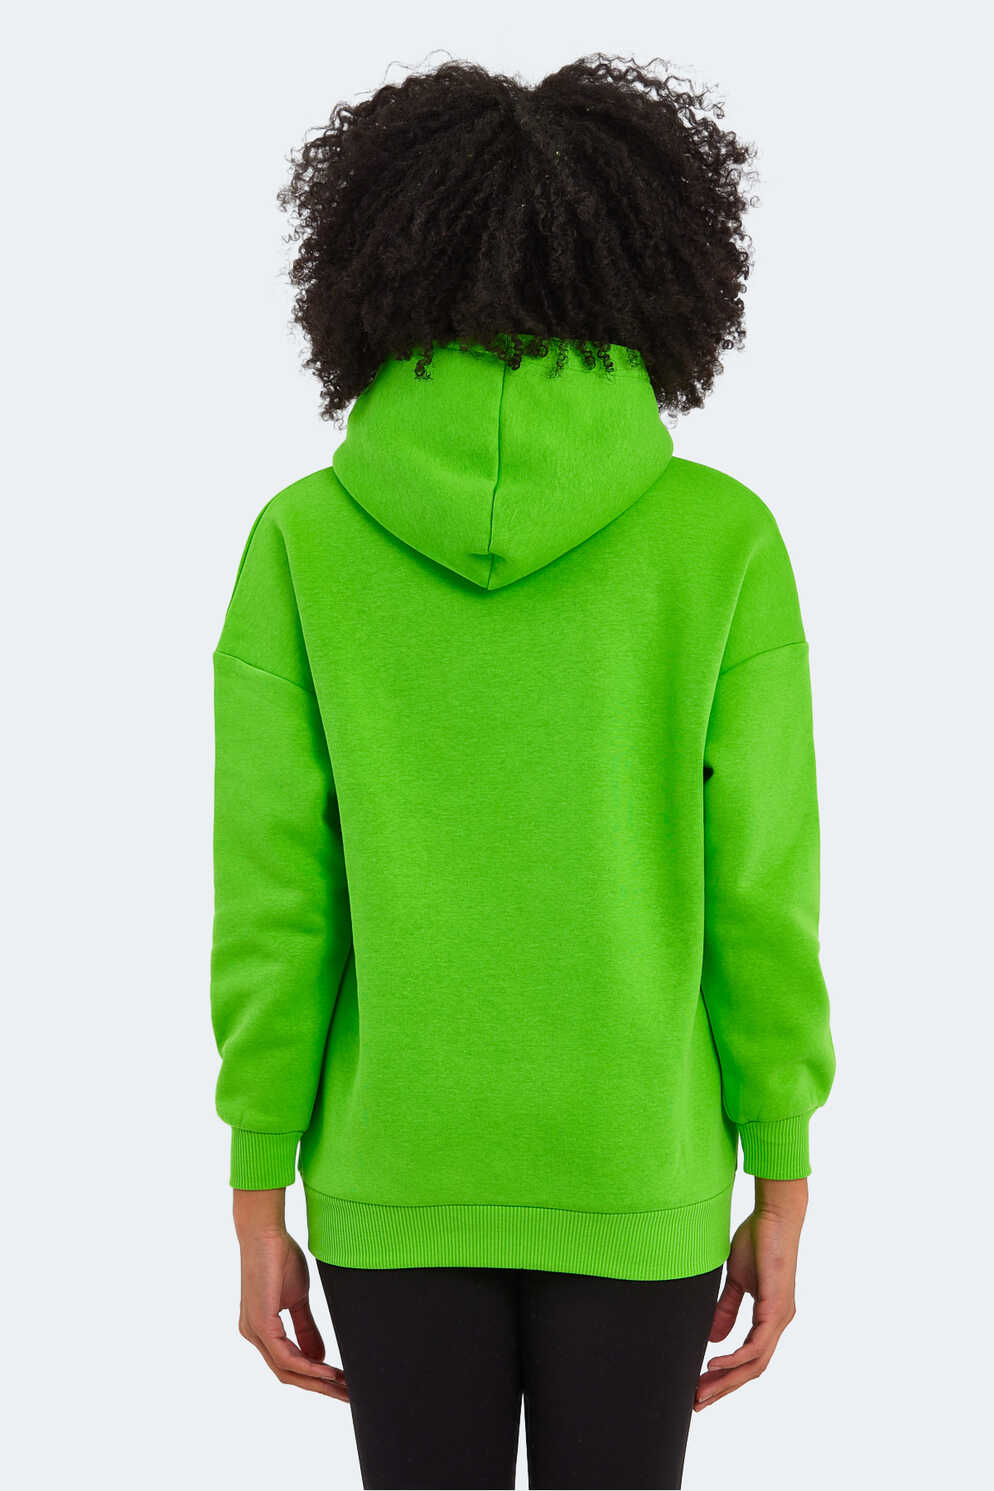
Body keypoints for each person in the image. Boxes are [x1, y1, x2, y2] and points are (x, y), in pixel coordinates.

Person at [209, 53, 837, 1491]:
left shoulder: (305, 541)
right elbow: (762, 896)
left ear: (369, 262)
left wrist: (257, 1185)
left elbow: (274, 897)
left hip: (389, 1174)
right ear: (659, 267)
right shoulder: (721, 541)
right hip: (639, 1171)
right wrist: (782, 1168)